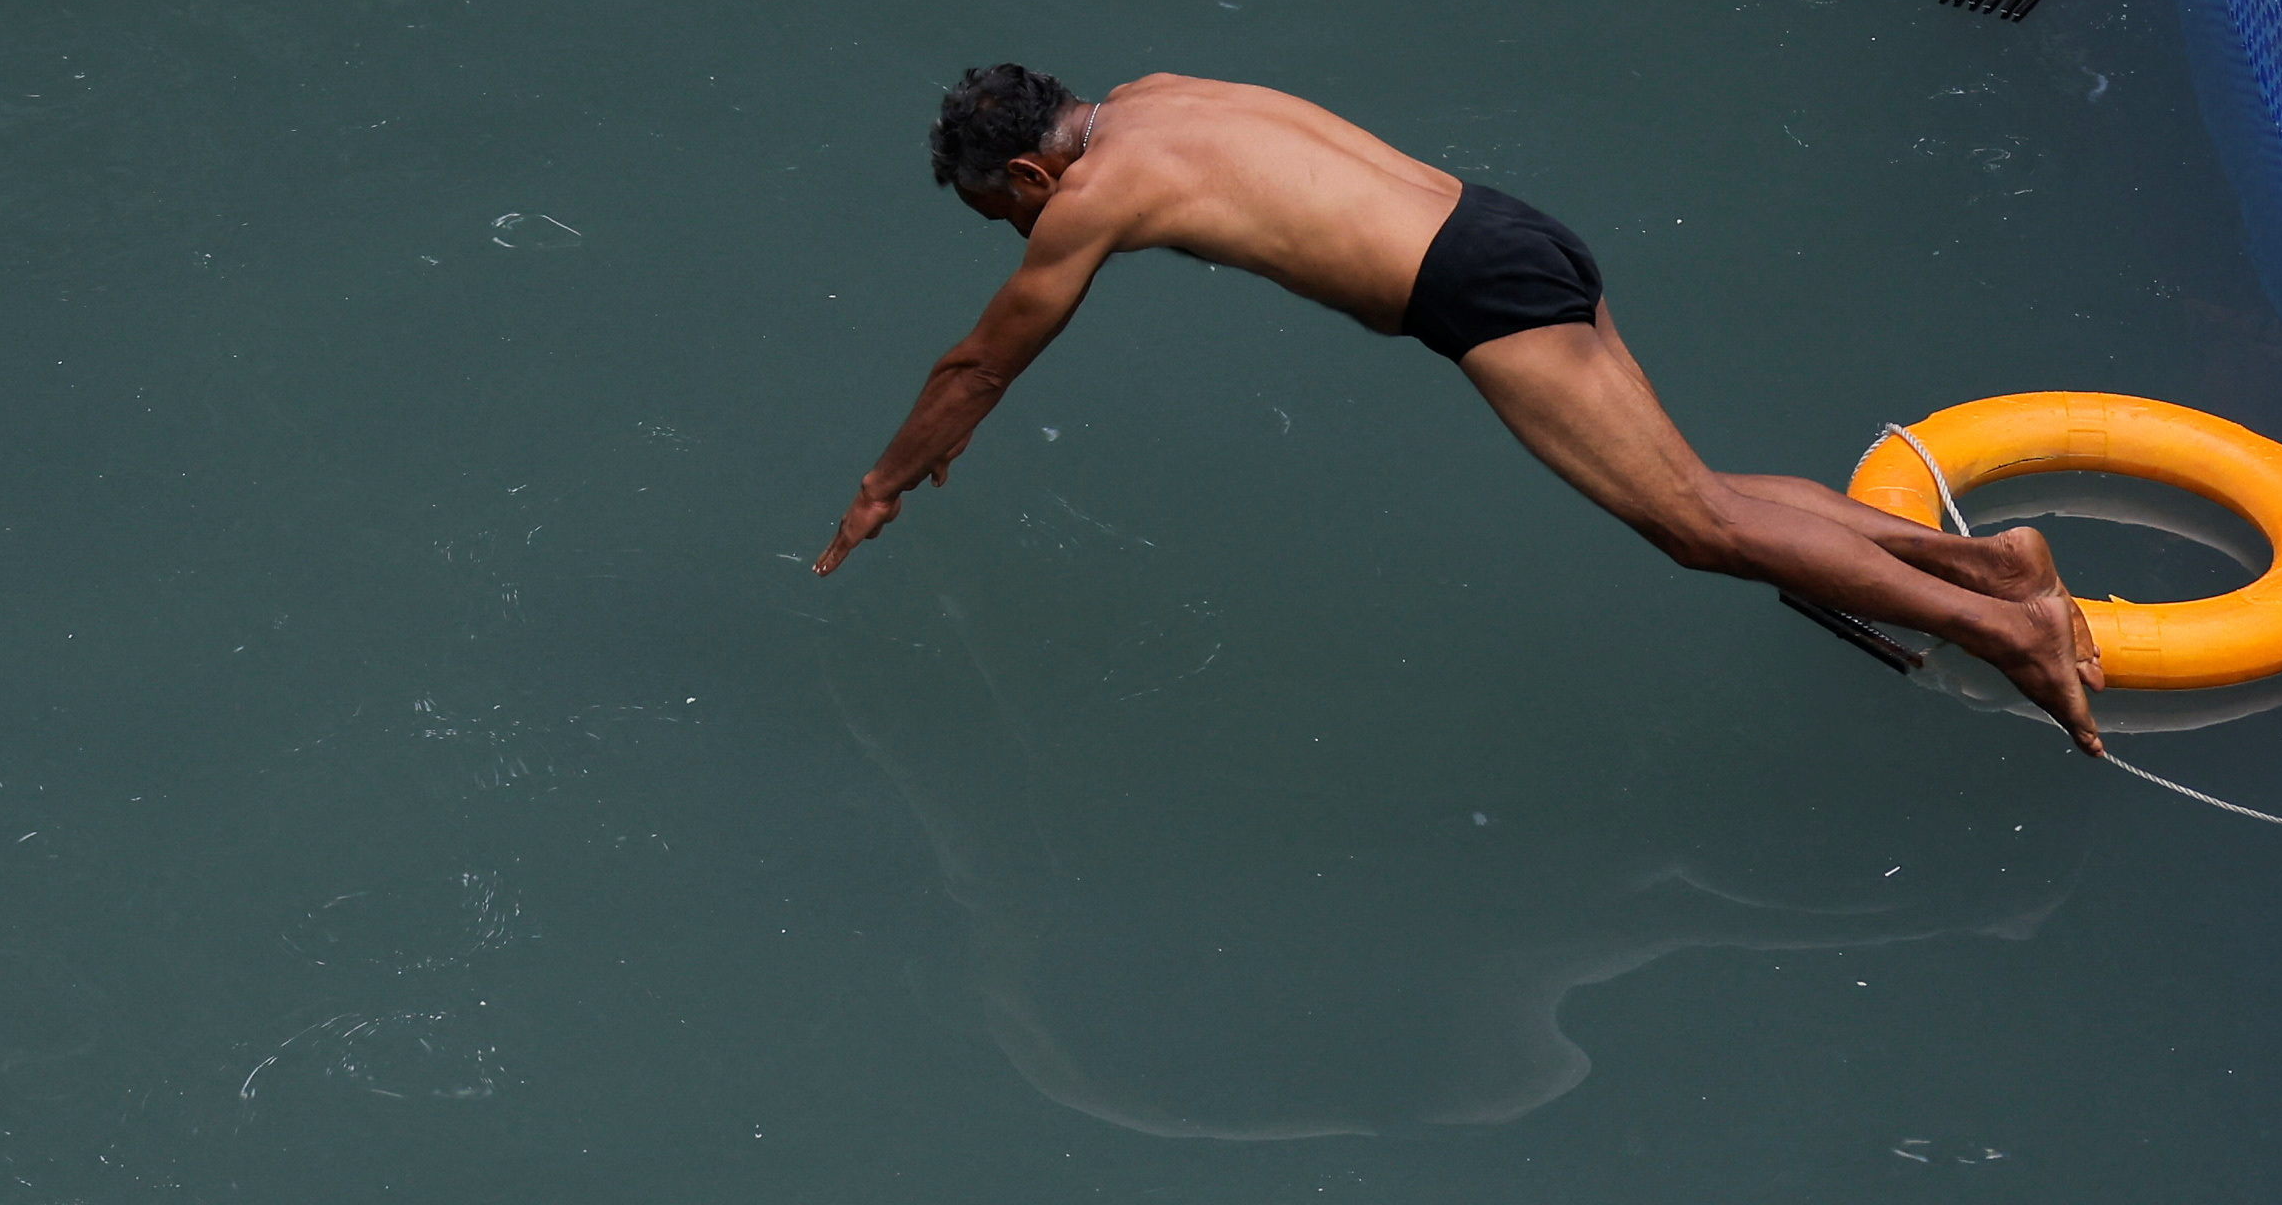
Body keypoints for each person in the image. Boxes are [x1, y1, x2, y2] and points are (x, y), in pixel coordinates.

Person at [823, 68, 2108, 745]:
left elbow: (977, 365)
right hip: (1501, 227)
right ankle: (1986, 561)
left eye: (1011, 210)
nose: (1027, 231)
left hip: (1467, 290)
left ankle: (2007, 631)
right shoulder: (1159, 95)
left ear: (1041, 167)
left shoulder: (1098, 191)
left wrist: (885, 481)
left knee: (1693, 524)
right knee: (1702, 486)